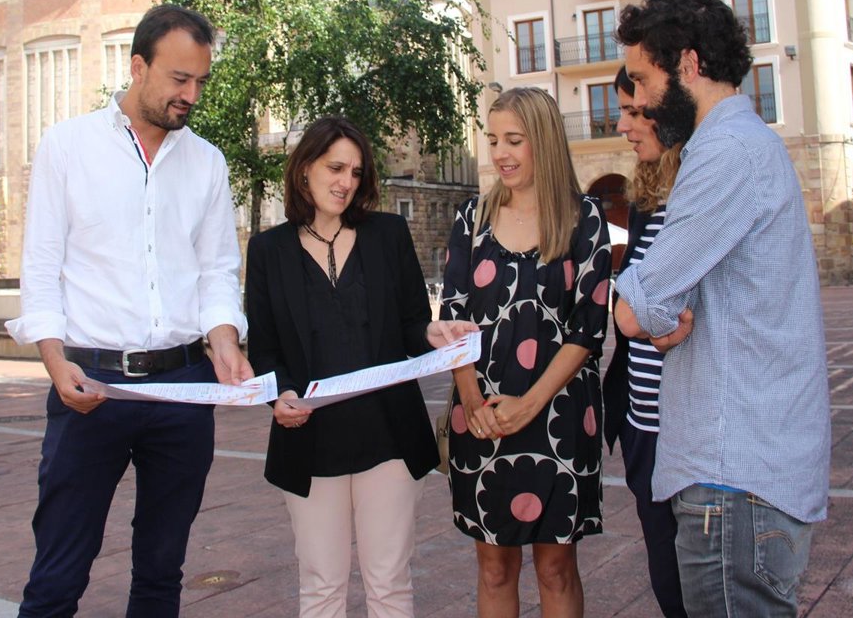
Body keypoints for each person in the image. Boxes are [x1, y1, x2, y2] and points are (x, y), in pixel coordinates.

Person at [5, 3, 253, 618]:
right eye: (179, 78)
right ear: (138, 66)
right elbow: (41, 268)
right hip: (90, 384)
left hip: (184, 388)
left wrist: (225, 340)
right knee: (57, 575)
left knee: (162, 573)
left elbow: (217, 271)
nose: (191, 95)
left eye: (200, 81)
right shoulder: (67, 146)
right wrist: (54, 362)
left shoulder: (208, 162)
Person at [613, 0, 831, 617]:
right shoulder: (738, 144)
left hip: (733, 477)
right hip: (739, 473)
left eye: (643, 80)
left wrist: (645, 309)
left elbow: (639, 309)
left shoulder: (725, 152)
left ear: (687, 64)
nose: (639, 102)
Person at [246, 116, 477, 618]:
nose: (346, 182)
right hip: (310, 439)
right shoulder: (267, 250)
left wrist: (434, 333)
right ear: (304, 169)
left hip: (389, 436)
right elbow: (263, 351)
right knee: (321, 587)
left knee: (389, 583)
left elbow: (413, 323)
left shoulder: (388, 234)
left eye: (355, 172)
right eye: (335, 168)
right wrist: (280, 396)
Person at [440, 87, 611, 618]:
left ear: (544, 140)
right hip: (482, 416)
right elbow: (453, 318)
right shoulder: (471, 218)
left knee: (556, 568)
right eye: (493, 140)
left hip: (558, 415)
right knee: (493, 568)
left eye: (514, 140)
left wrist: (530, 405)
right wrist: (473, 402)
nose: (500, 154)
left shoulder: (585, 218)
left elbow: (588, 330)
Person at [602, 67, 686, 618]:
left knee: (703, 586)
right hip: (644, 426)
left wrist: (635, 310)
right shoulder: (646, 202)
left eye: (634, 112)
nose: (622, 125)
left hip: (688, 431)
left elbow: (636, 314)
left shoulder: (702, 197)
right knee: (668, 578)